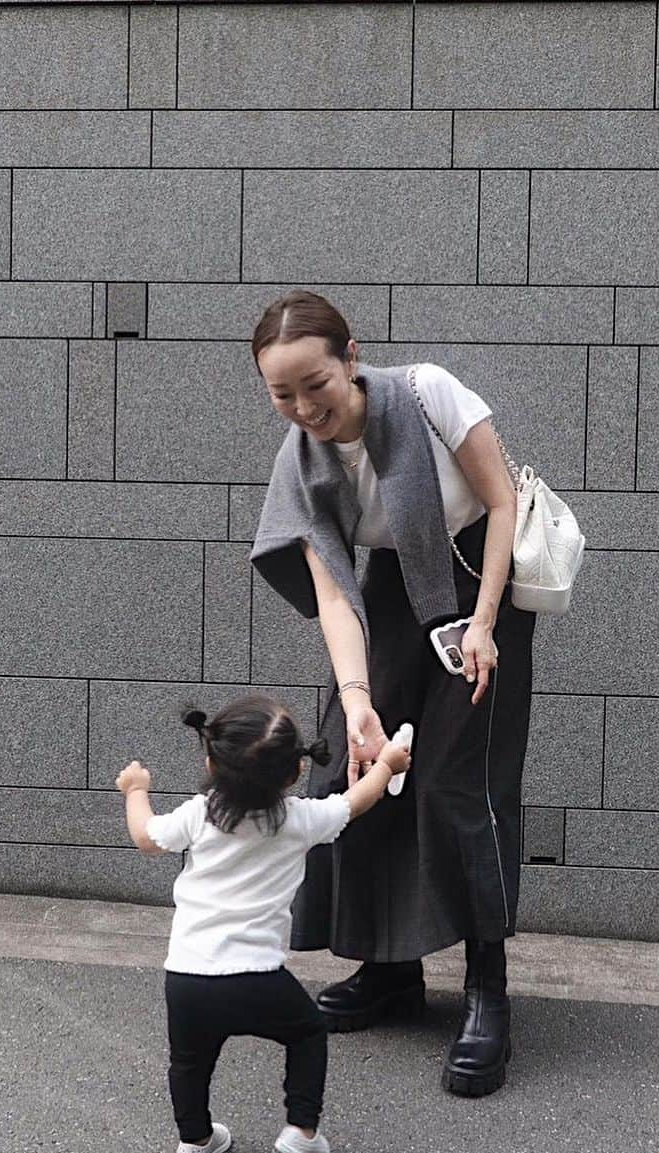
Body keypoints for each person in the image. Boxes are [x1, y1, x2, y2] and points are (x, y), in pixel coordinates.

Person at [249, 290, 535, 1099]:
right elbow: (336, 594)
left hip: (479, 582)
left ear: (350, 357)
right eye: (282, 393)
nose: (304, 407)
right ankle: (389, 968)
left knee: (453, 784)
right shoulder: (300, 463)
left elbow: (505, 497)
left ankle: (486, 989)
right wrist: (358, 696)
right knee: (354, 764)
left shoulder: (425, 392)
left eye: (317, 384)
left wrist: (483, 626)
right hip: (387, 599)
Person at [115, 693, 410, 1153]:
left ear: (211, 762)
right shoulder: (298, 820)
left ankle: (195, 1141)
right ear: (294, 773)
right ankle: (301, 1129)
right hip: (257, 977)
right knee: (309, 1032)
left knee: (189, 1062)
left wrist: (135, 790)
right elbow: (357, 802)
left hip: (188, 976)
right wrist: (389, 765)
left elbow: (146, 837)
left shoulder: (200, 814)